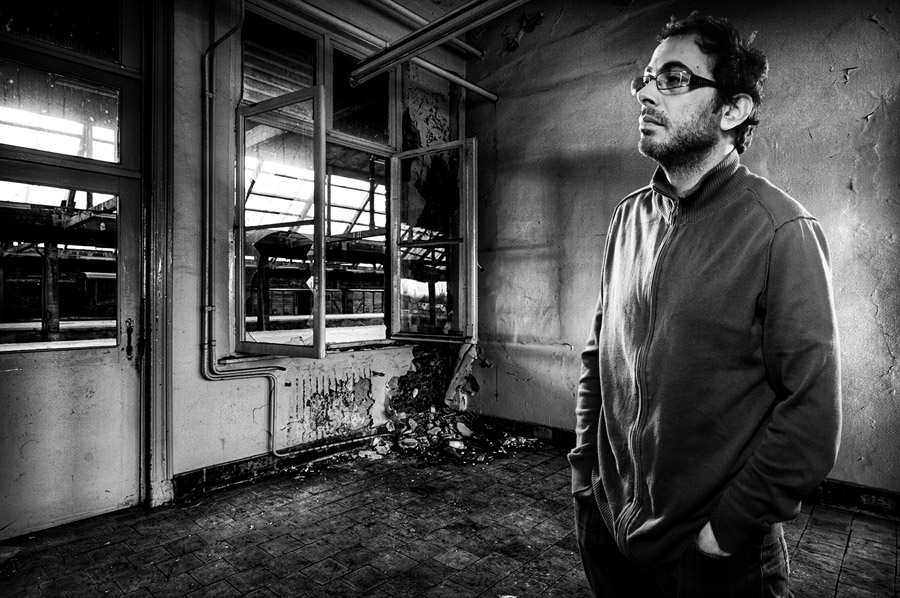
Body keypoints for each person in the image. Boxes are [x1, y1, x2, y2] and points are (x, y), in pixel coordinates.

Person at [569, 12, 842, 598]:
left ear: (732, 110)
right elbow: (599, 358)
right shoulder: (627, 218)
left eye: (673, 78)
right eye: (646, 79)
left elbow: (812, 414)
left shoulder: (781, 230)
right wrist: (584, 475)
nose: (645, 93)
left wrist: (725, 533)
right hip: (610, 525)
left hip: (714, 555)